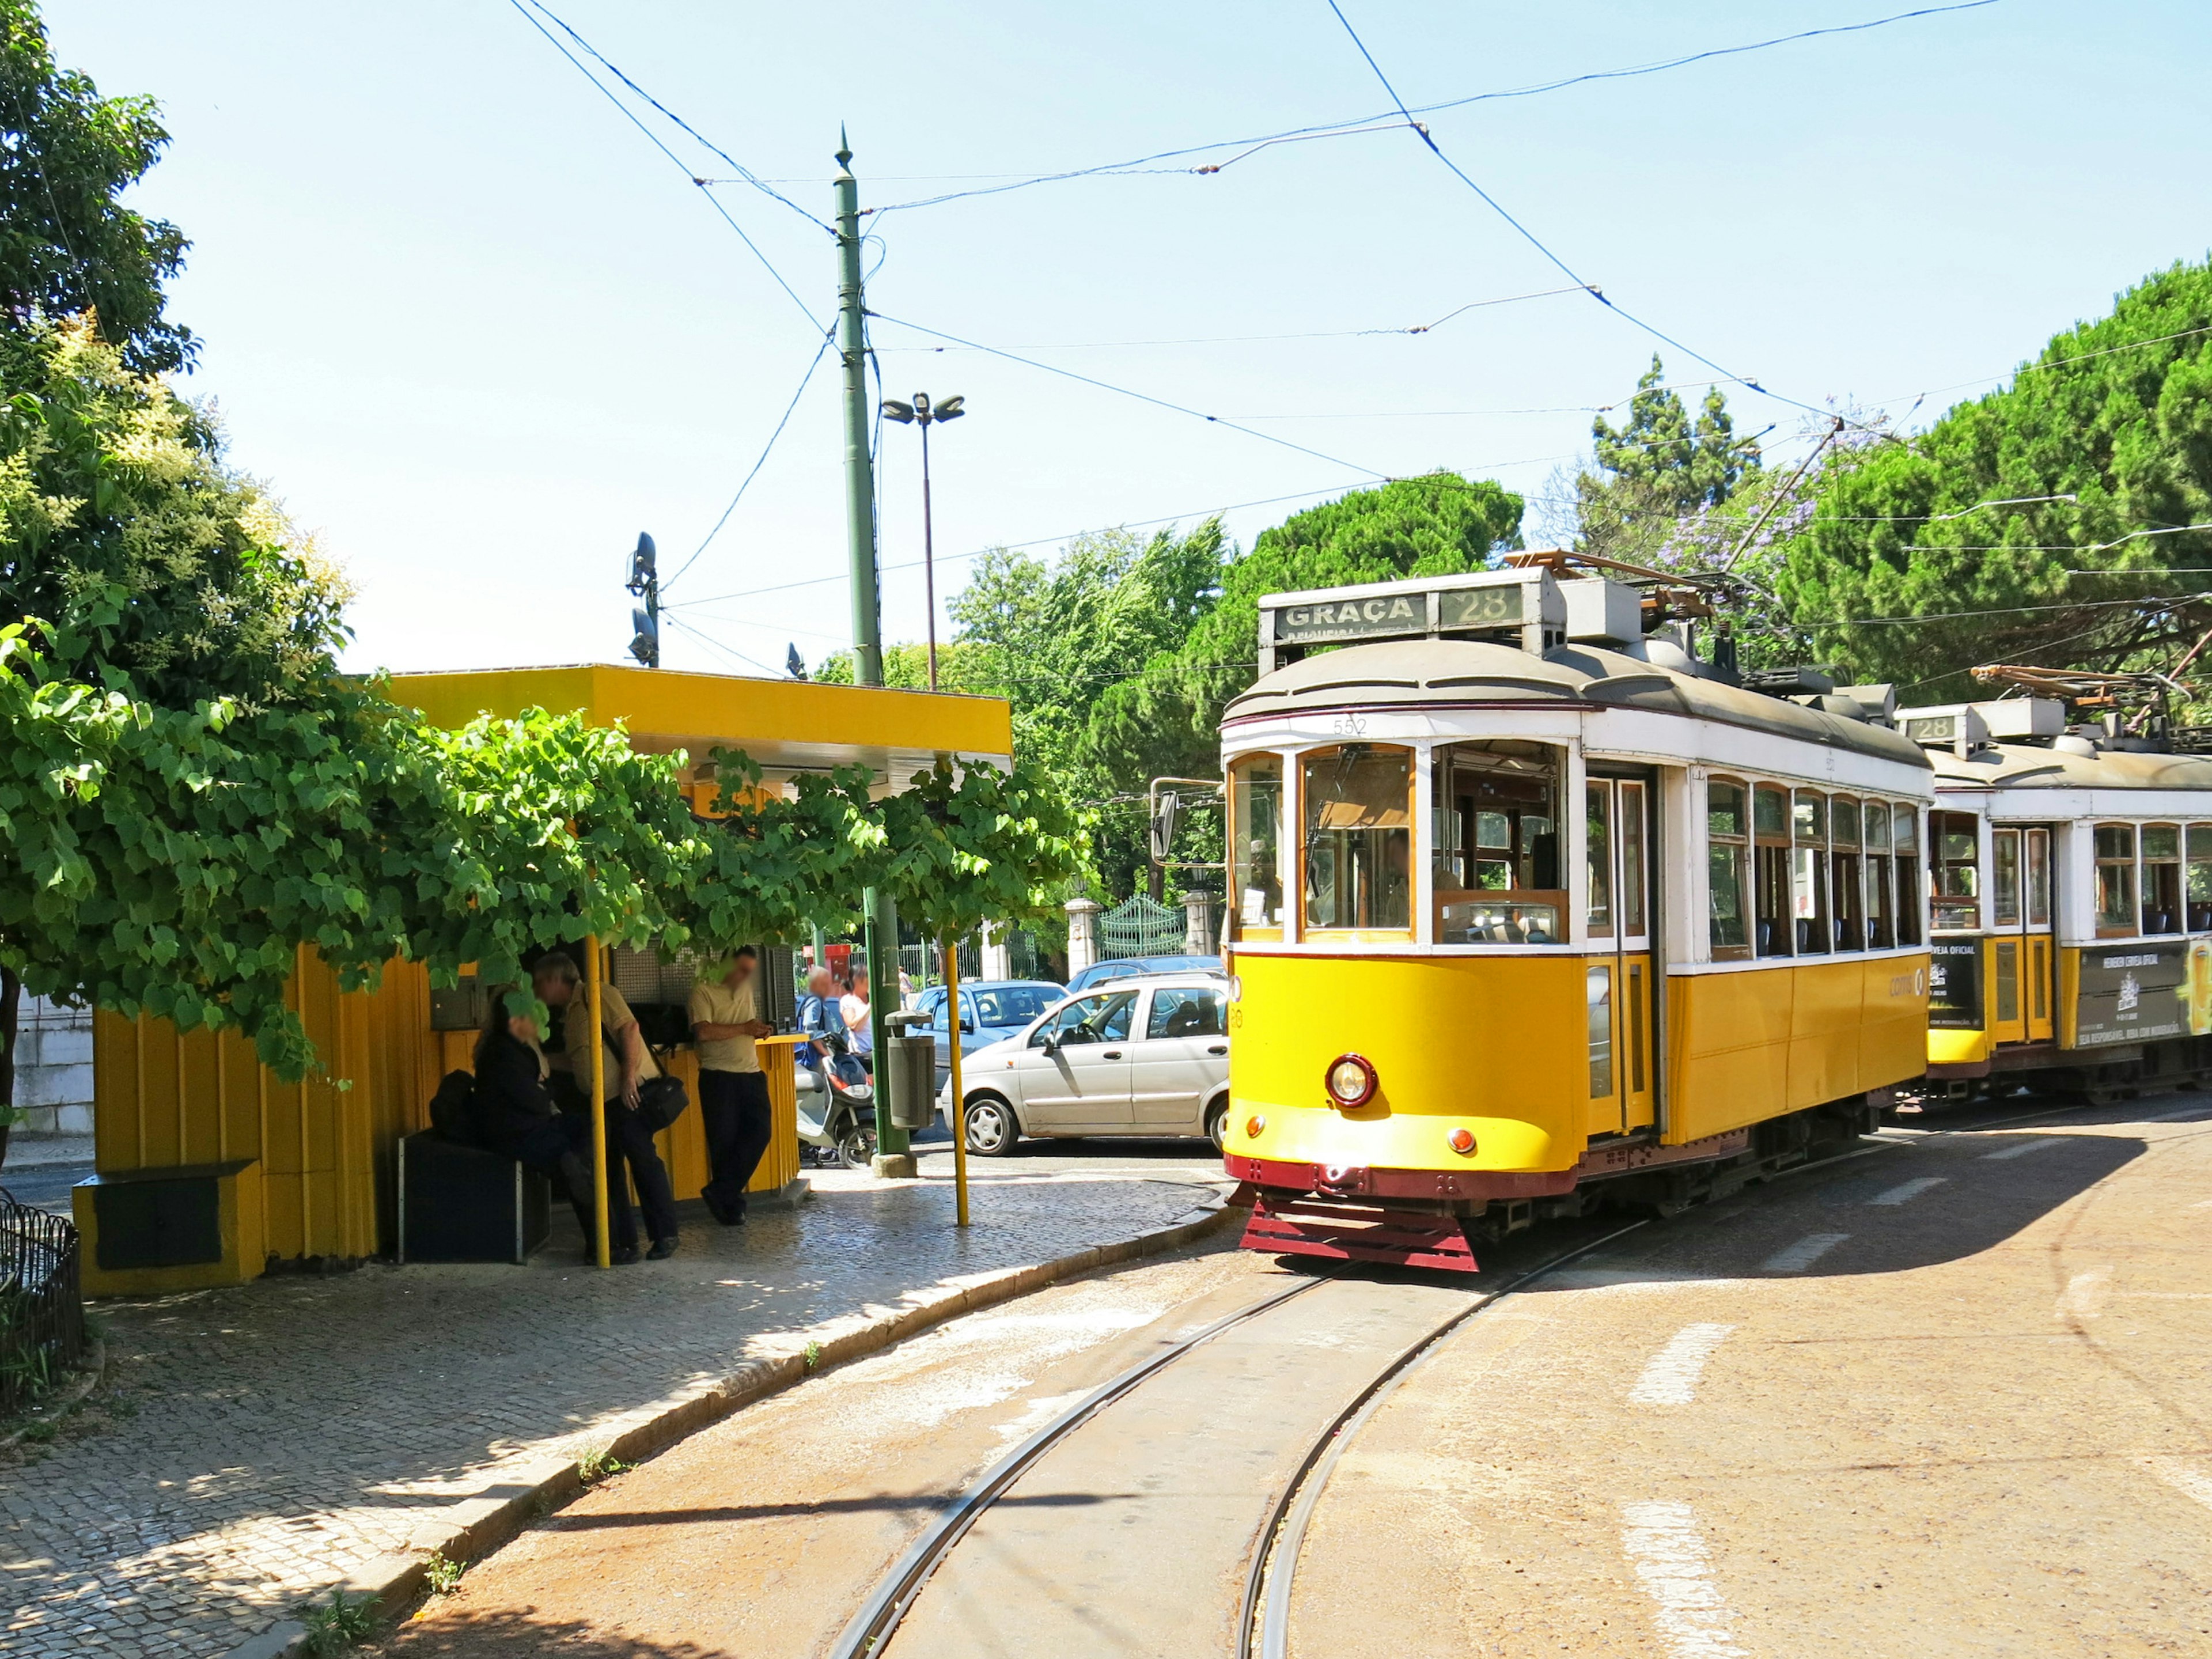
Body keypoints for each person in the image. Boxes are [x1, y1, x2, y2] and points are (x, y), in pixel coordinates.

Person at [531, 951, 679, 1263]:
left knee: (642, 1160)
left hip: (628, 1095)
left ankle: (665, 1234)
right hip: (602, 1103)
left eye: (540, 983)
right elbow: (579, 1062)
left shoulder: (597, 995)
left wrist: (628, 1079)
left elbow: (629, 1029)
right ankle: (623, 1243)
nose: (538, 991)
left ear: (556, 979)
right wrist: (540, 1060)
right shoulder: (571, 1014)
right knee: (609, 1170)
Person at [471, 989, 601, 1257]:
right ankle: (599, 1242)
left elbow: (544, 1089)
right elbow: (537, 1099)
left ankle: (582, 1168)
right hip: (516, 1133)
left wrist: (543, 1088)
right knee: (571, 1161)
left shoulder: (516, 1047)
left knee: (591, 1127)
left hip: (532, 1125)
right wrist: (543, 1089)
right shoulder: (502, 1052)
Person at [688, 949, 777, 1226]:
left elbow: (747, 1026)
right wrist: (745, 1029)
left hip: (751, 1072)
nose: (745, 977)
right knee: (723, 1144)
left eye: (750, 971)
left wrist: (761, 1029)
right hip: (718, 1076)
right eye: (741, 970)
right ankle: (730, 1206)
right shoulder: (701, 992)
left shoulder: (746, 990)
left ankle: (720, 1192)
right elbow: (703, 1032)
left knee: (761, 1133)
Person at [840, 963, 874, 1067]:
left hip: (880, 1052)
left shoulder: (877, 997)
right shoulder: (848, 1000)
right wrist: (870, 1006)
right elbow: (855, 1026)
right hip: (862, 1056)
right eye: (866, 976)